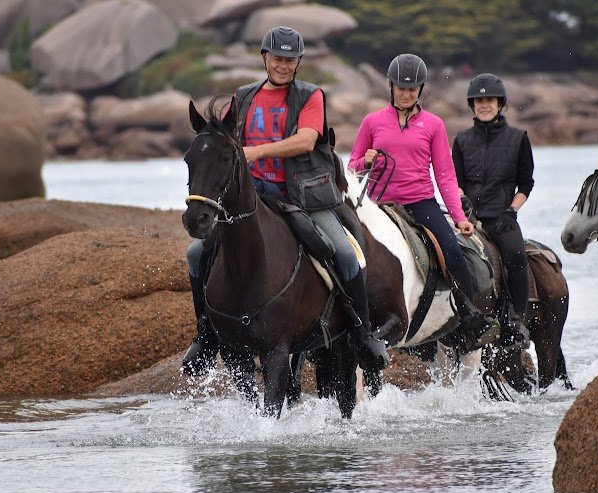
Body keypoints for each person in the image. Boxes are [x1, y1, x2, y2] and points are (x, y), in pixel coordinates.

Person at [183, 26, 388, 375]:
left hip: (301, 197)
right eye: (277, 58)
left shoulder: (310, 96)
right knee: (195, 255)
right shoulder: (244, 98)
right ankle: (205, 336)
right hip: (254, 198)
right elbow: (223, 142)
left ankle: (362, 334)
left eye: (290, 60)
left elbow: (306, 141)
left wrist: (254, 152)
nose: (283, 65)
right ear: (265, 58)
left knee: (343, 252)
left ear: (298, 63)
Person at [348, 53, 500, 349]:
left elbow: (444, 175)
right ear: (390, 87)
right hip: (379, 204)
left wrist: (458, 218)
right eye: (401, 88)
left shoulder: (433, 125)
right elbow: (352, 167)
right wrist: (364, 161)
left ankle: (470, 316)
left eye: (412, 88)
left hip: (420, 203)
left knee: (453, 252)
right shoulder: (372, 122)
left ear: (421, 90)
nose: (406, 94)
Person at [451, 73, 534, 350]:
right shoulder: (461, 141)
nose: (484, 105)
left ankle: (517, 319)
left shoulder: (518, 138)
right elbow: (455, 181)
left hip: (501, 217)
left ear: (500, 104)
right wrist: (462, 203)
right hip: (469, 217)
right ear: (472, 105)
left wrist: (513, 209)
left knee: (515, 256)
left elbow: (526, 183)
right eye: (479, 101)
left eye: (490, 100)